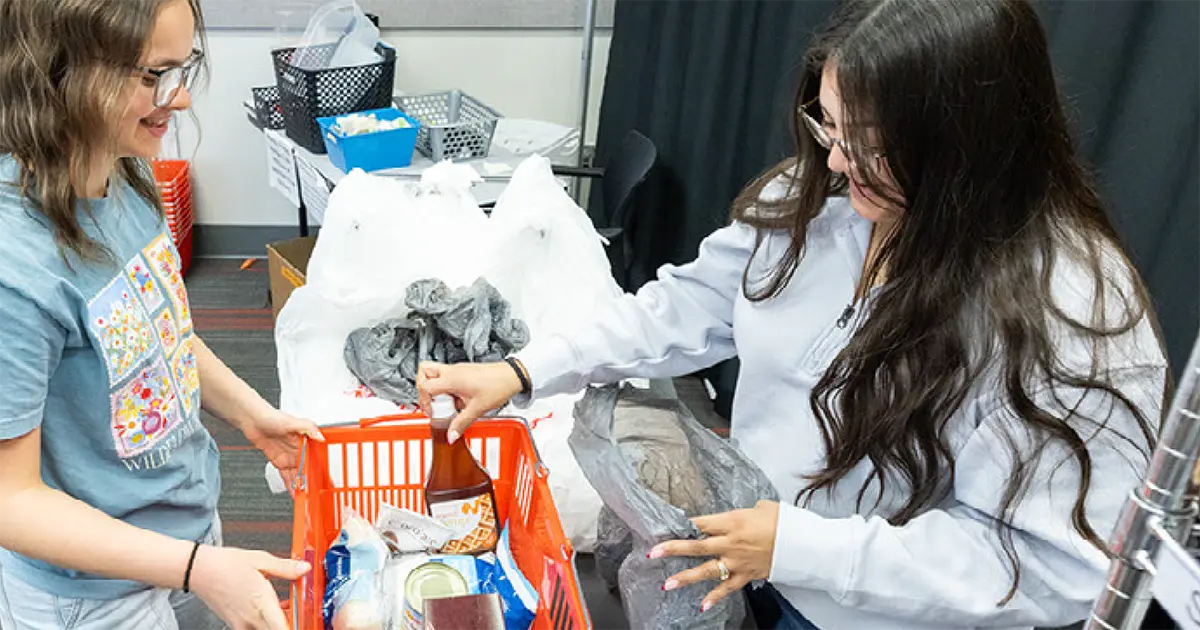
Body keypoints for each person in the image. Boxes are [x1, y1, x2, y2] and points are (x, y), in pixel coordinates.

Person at [416, 0, 1167, 628]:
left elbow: (1046, 565)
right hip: (762, 567)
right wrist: (523, 370)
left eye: (869, 146)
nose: (837, 164)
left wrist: (806, 550)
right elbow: (688, 305)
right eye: (828, 128)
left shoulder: (1070, 320)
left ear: (968, 146)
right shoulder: (822, 203)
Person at [0, 1, 321, 629]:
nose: (179, 101)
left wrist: (251, 413)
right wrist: (193, 567)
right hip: (93, 591)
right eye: (153, 75)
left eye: (183, 69)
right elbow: (10, 499)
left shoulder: (121, 175)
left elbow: (154, 333)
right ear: (57, 73)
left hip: (183, 532)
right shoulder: (17, 268)